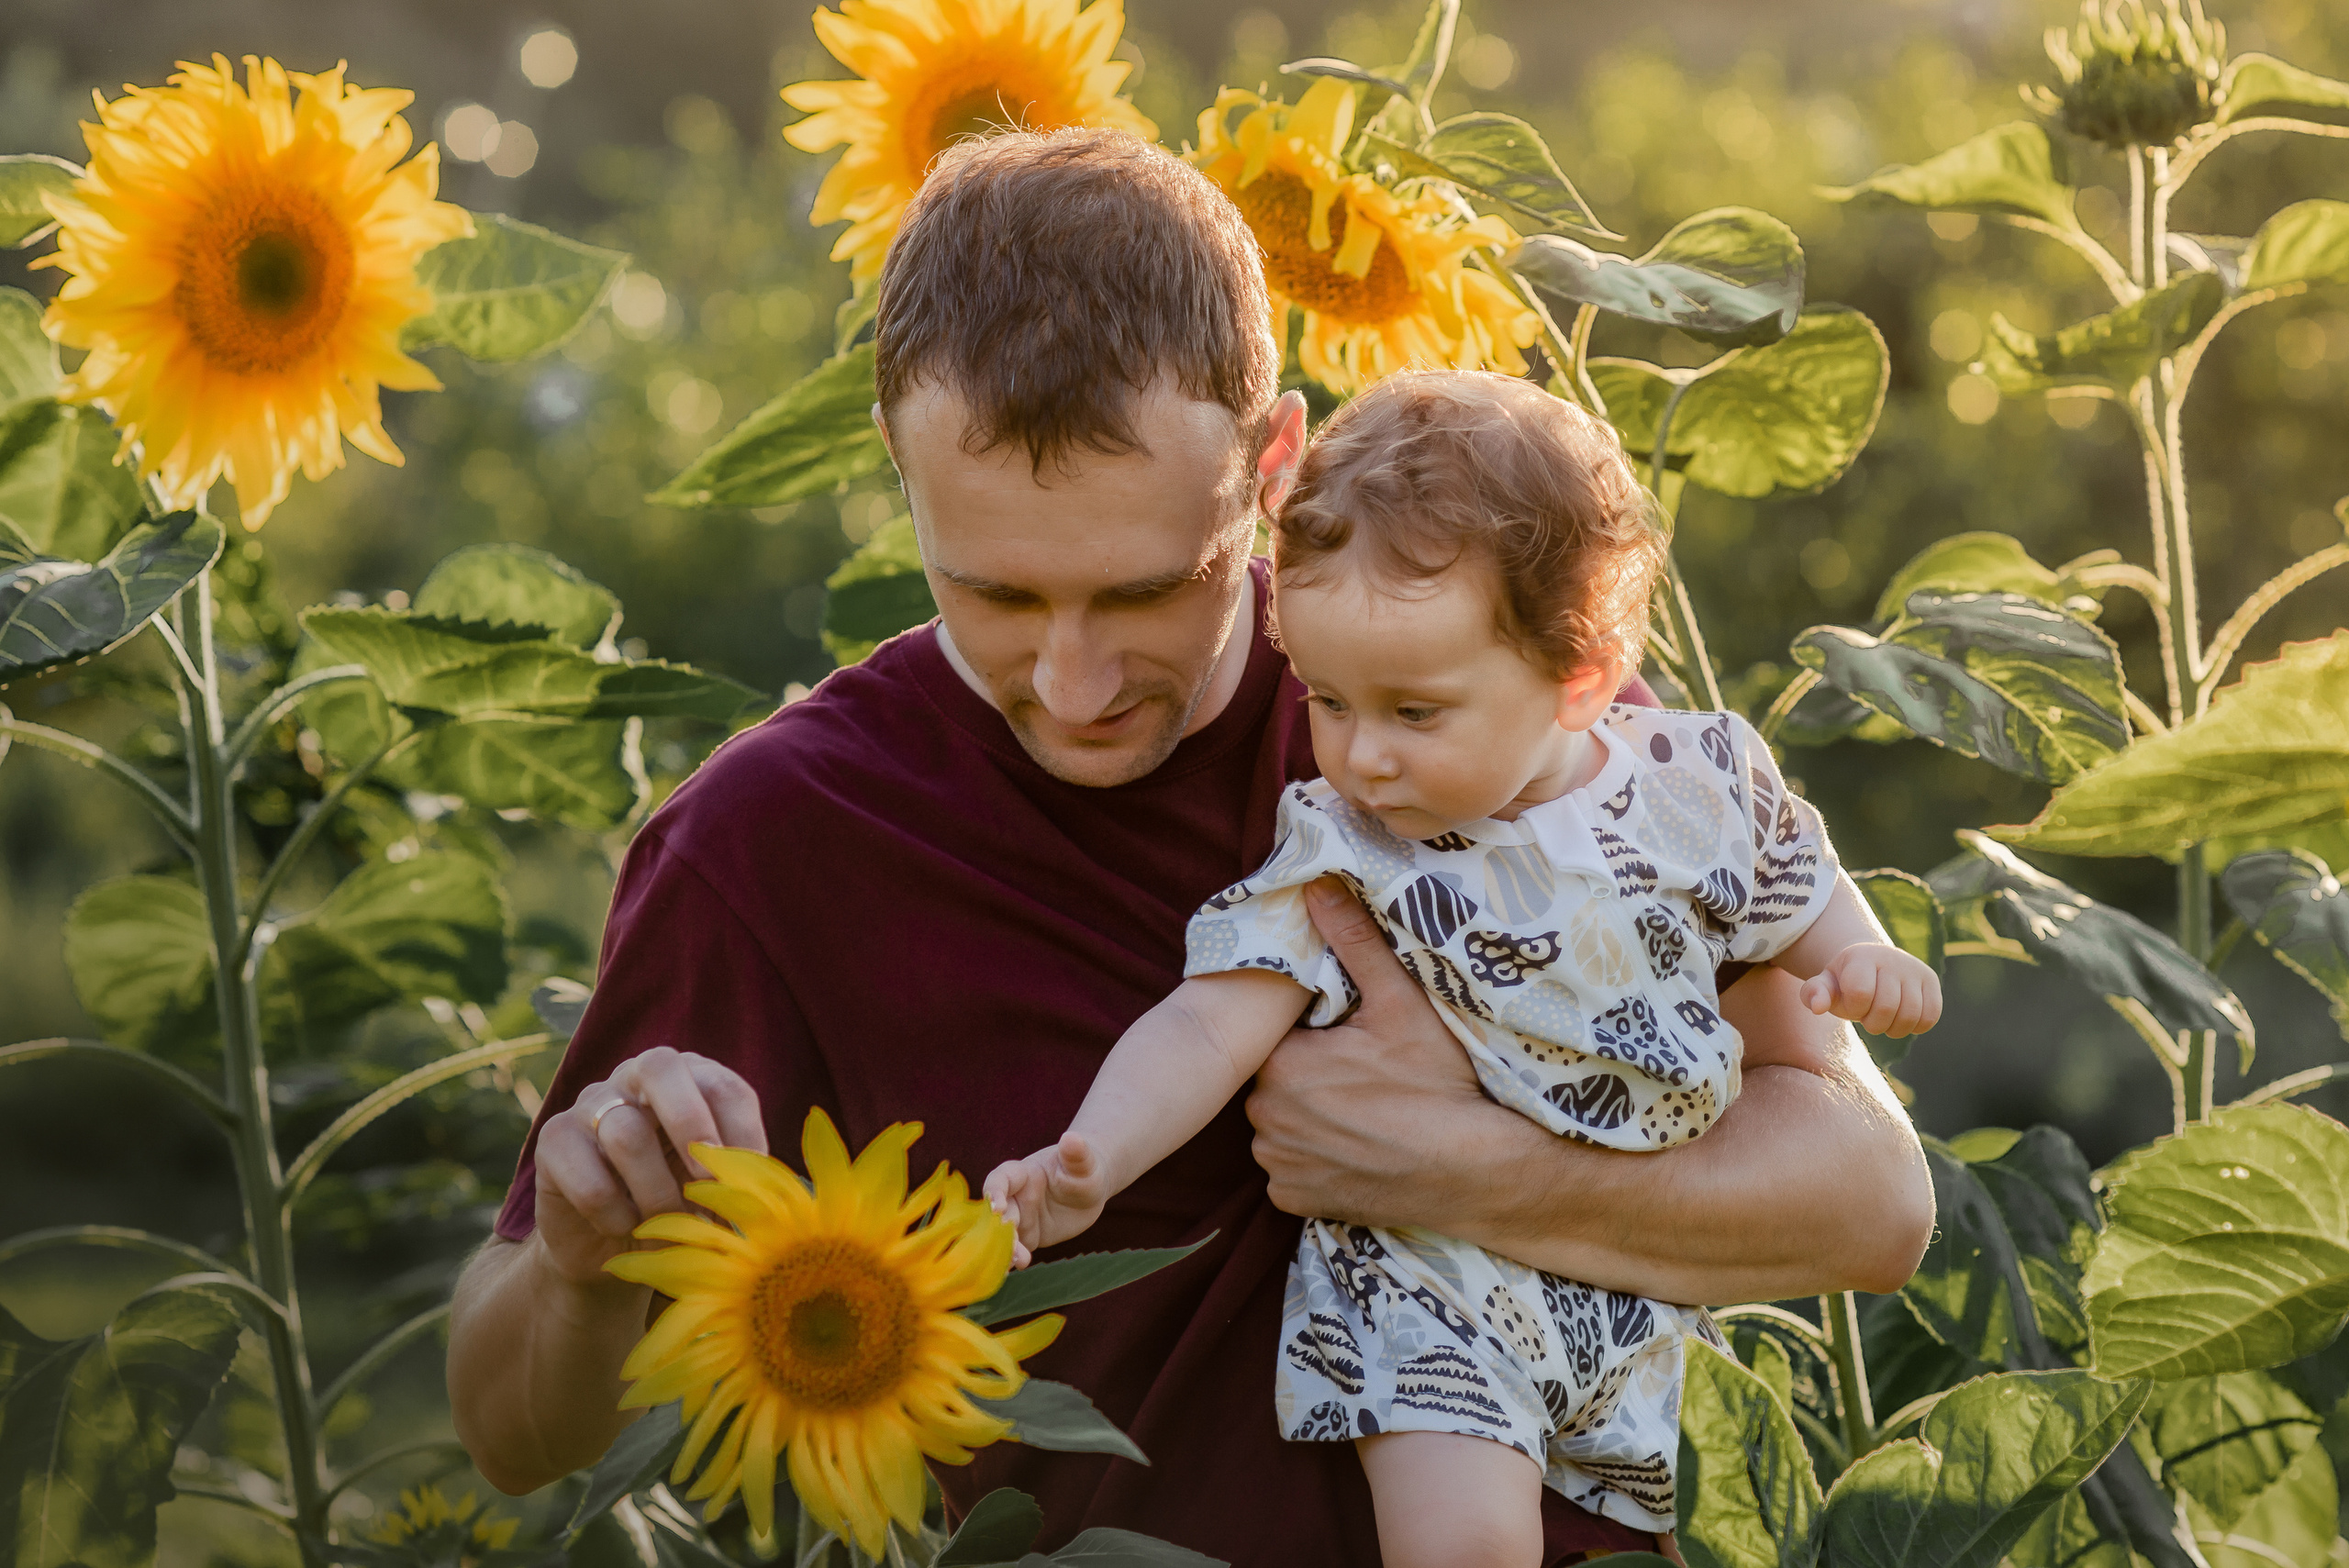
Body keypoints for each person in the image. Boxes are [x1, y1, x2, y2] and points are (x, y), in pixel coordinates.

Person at [446, 127, 1934, 1566]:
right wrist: (580, 1266)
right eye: (1001, 598)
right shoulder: (777, 841)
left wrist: (1451, 1166)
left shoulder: (1443, 686)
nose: (1077, 681)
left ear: (1273, 463)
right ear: (899, 464)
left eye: (1150, 589)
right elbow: (512, 1429)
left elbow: (1874, 1197)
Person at [984, 371, 1943, 1568]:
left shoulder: (1697, 778)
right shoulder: (1341, 851)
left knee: (1676, 1535)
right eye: (1329, 698)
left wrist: (1861, 956)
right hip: (1430, 1294)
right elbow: (1206, 1022)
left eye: (1415, 711)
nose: (1362, 753)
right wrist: (1096, 1154)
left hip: (1637, 1295)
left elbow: (1794, 877)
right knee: (1470, 1547)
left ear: (1579, 676)